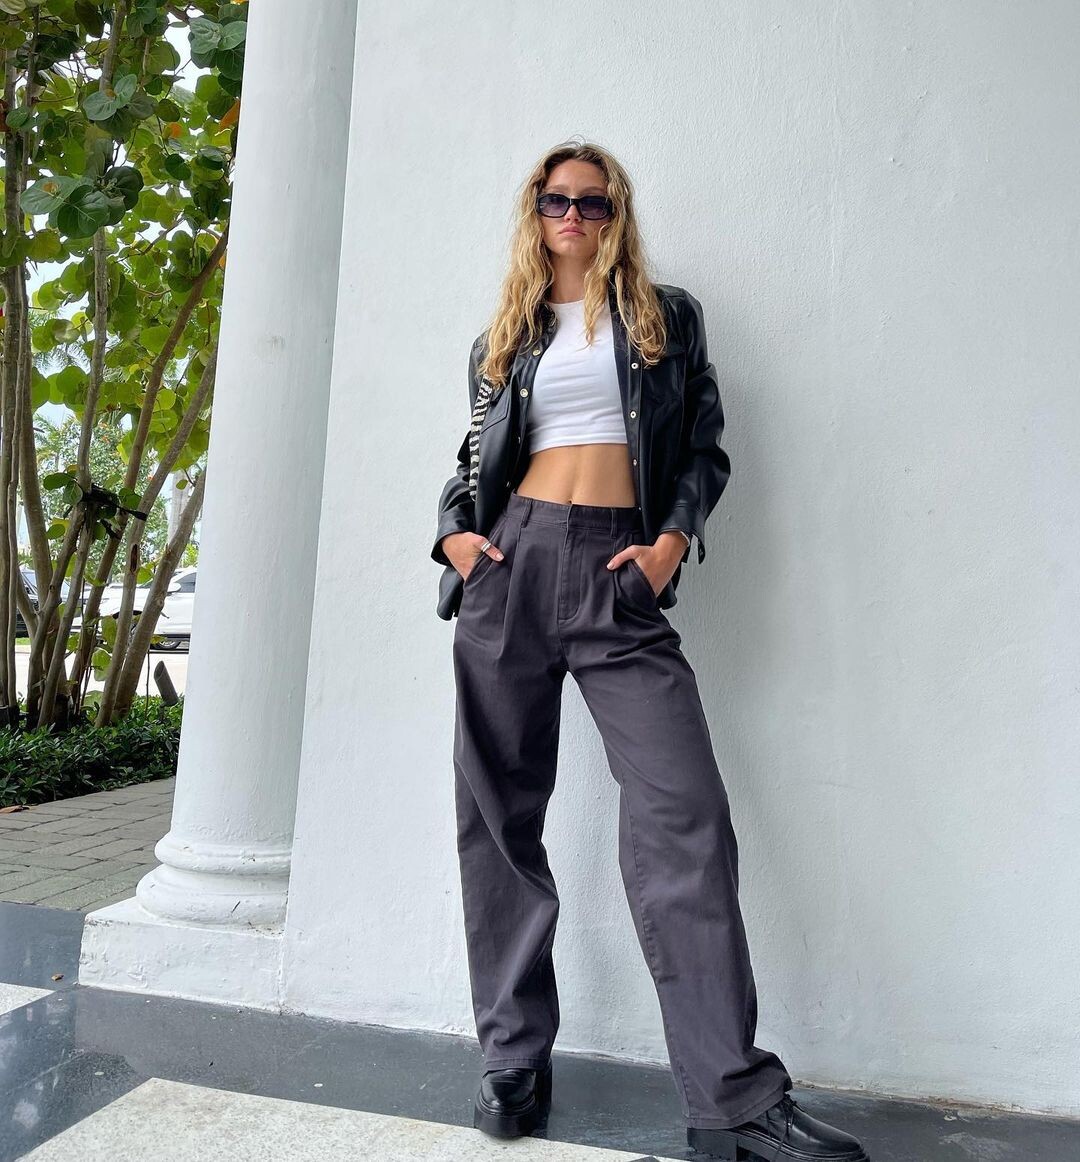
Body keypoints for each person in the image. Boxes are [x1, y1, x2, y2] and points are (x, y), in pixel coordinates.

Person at [432, 140, 870, 1162]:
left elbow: (704, 447)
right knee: (497, 817)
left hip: (617, 571)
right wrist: (455, 536)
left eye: (592, 201)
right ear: (534, 212)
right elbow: (471, 459)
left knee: (686, 815)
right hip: (510, 564)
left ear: (615, 212)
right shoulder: (503, 337)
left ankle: (732, 1098)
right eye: (555, 200)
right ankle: (512, 1055)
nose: (572, 216)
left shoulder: (662, 320)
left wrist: (671, 541)